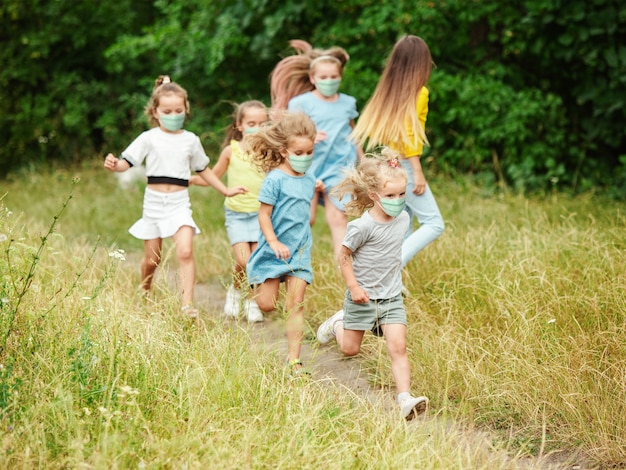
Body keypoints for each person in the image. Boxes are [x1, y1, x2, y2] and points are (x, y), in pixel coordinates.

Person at [104, 75, 247, 318]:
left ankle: (187, 305)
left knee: (185, 251)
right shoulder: (149, 138)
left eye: (178, 110)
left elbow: (204, 170)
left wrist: (224, 190)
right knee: (152, 259)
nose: (173, 115)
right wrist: (114, 164)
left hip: (180, 204)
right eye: (167, 110)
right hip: (154, 204)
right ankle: (145, 289)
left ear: (186, 109)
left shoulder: (191, 140)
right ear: (156, 112)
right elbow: (126, 163)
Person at [316, 150, 429, 419]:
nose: (398, 201)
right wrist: (354, 287)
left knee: (398, 348)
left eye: (402, 194)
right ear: (374, 196)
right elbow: (343, 255)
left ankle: (404, 399)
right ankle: (337, 323)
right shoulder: (361, 227)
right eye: (390, 196)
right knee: (350, 350)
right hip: (362, 298)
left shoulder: (403, 219)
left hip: (390, 298)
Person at [350, 35, 444, 268]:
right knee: (434, 223)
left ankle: (392, 284)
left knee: (404, 221)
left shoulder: (390, 91)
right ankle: (391, 265)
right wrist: (417, 170)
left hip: (392, 160)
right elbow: (410, 134)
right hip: (406, 165)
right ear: (422, 62)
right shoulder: (419, 93)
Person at [270, 40, 362, 258]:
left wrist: (363, 160)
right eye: (323, 77)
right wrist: (309, 135)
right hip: (308, 169)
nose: (328, 81)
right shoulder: (301, 103)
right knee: (306, 219)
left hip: (339, 169)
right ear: (313, 79)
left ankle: (347, 275)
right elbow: (289, 135)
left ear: (340, 77)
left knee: (339, 219)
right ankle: (289, 264)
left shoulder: (348, 103)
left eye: (333, 77)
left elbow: (354, 134)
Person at [244, 111, 317, 375]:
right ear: (285, 151)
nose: (305, 157)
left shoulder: (308, 178)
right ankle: (253, 283)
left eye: (310, 152)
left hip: (299, 251)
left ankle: (293, 360)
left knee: (295, 304)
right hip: (273, 251)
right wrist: (273, 242)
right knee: (267, 305)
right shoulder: (274, 179)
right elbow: (263, 214)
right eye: (299, 152)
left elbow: (307, 207)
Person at [190, 100, 269, 322]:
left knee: (255, 260)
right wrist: (194, 180)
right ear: (240, 125)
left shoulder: (268, 151)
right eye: (252, 123)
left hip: (262, 215)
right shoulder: (230, 150)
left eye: (263, 123)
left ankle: (252, 300)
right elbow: (213, 175)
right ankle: (235, 291)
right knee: (244, 260)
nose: (257, 128)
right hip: (237, 214)